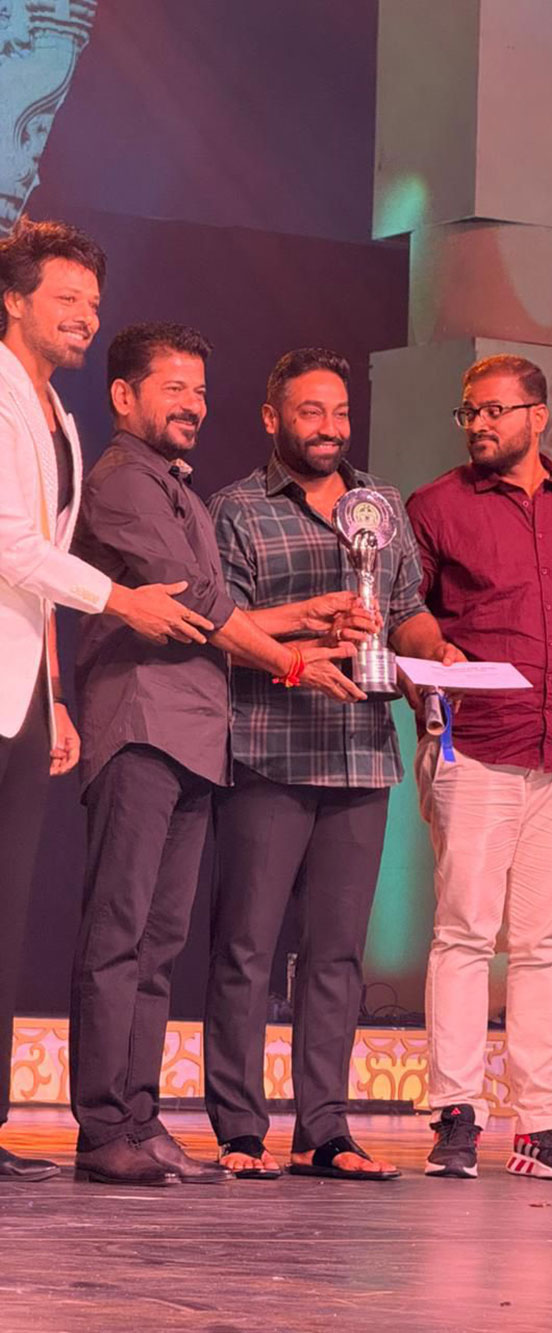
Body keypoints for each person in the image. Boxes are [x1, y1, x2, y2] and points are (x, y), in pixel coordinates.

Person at [70, 324, 363, 1187]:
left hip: (196, 734)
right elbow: (202, 603)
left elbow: (217, 615)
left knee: (159, 943)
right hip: (140, 724)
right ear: (124, 395)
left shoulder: (180, 489)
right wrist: (293, 662)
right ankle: (102, 1124)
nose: (192, 404)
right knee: (118, 934)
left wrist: (304, 618)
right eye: (173, 388)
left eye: (199, 389)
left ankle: (139, 1116)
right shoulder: (123, 480)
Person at [205, 348, 459, 1181]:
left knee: (339, 954)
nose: (330, 427)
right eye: (311, 411)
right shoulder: (235, 510)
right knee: (245, 947)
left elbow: (408, 608)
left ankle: (324, 1129)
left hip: (359, 754)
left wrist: (433, 655)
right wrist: (310, 633)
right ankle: (240, 1129)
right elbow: (222, 626)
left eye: (341, 411)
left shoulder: (380, 502)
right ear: (272, 418)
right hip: (270, 750)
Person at [0, 222, 212, 1184]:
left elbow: (39, 577)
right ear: (14, 300)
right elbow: (12, 545)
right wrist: (123, 600)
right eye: (67, 299)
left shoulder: (62, 416)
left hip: (25, 690)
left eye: (93, 302)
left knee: (9, 909)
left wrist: (56, 694)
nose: (86, 315)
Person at [406, 354, 552, 1182]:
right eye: (471, 412)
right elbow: (403, 612)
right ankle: (455, 1115)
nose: (481, 425)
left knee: (545, 943)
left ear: (539, 415)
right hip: (475, 743)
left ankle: (541, 1125)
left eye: (496, 410)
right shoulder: (436, 506)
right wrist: (431, 645)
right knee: (464, 931)